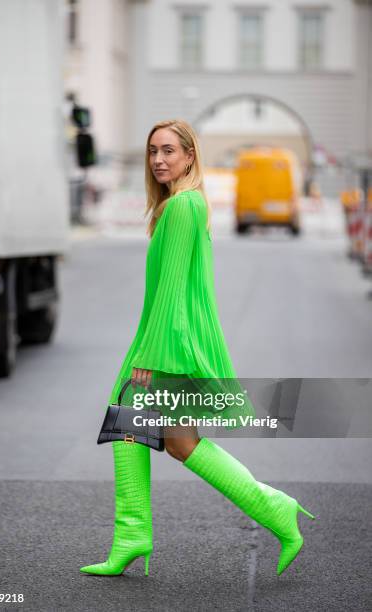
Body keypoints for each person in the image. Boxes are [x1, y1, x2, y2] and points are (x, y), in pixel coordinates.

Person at [79, 119, 315, 578]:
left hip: (170, 343)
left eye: (168, 150)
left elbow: (171, 291)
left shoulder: (183, 206)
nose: (159, 160)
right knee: (180, 442)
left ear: (190, 156)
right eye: (152, 152)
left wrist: (149, 356)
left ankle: (134, 534)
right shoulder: (179, 206)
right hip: (171, 338)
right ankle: (275, 510)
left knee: (132, 417)